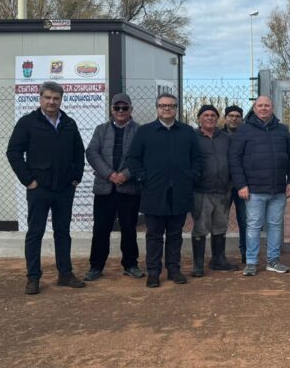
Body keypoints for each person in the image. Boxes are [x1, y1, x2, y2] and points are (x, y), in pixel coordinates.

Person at [6, 80, 86, 295]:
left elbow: (79, 152)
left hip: (64, 189)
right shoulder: (27, 123)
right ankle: (33, 278)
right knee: (35, 233)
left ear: (61, 100)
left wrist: (75, 178)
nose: (52, 102)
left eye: (56, 98)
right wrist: (28, 181)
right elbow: (13, 153)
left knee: (63, 232)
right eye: (48, 97)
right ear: (40, 98)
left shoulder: (69, 123)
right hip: (39, 189)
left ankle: (65, 274)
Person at [125, 93, 201, 288]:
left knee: (175, 234)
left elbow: (197, 159)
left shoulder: (187, 132)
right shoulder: (145, 132)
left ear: (176, 108)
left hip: (180, 192)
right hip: (154, 192)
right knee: (154, 235)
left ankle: (174, 270)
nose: (167, 109)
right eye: (163, 105)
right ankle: (153, 272)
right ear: (157, 108)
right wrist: (143, 177)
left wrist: (190, 176)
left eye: (171, 106)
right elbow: (132, 159)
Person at [228, 96, 290, 276]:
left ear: (272, 107)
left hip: (278, 189)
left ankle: (273, 260)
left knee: (275, 225)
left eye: (267, 105)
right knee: (253, 226)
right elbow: (234, 159)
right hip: (254, 190)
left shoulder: (282, 130)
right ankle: (251, 262)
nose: (264, 108)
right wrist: (241, 185)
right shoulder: (244, 130)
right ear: (254, 108)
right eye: (260, 105)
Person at [83, 92, 143, 281]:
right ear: (111, 109)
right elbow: (92, 153)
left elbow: (142, 156)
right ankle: (96, 266)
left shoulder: (140, 131)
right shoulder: (101, 130)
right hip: (104, 188)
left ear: (131, 110)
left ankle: (131, 264)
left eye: (124, 108)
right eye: (117, 107)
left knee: (129, 228)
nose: (120, 111)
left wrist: (125, 175)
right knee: (101, 229)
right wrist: (109, 174)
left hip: (129, 188)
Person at [191, 104, 237, 277]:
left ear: (218, 119)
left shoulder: (226, 138)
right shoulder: (192, 138)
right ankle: (198, 265)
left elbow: (234, 161)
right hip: (201, 191)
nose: (209, 118)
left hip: (223, 191)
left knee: (220, 226)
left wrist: (231, 183)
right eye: (206, 115)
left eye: (213, 115)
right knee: (200, 227)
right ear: (199, 118)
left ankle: (218, 259)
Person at [222, 105, 248, 263]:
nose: (234, 118)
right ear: (225, 118)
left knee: (244, 220)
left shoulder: (247, 134)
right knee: (220, 221)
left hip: (242, 185)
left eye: (237, 116)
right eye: (231, 115)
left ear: (241, 118)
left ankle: (245, 252)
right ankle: (219, 255)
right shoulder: (218, 135)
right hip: (223, 185)